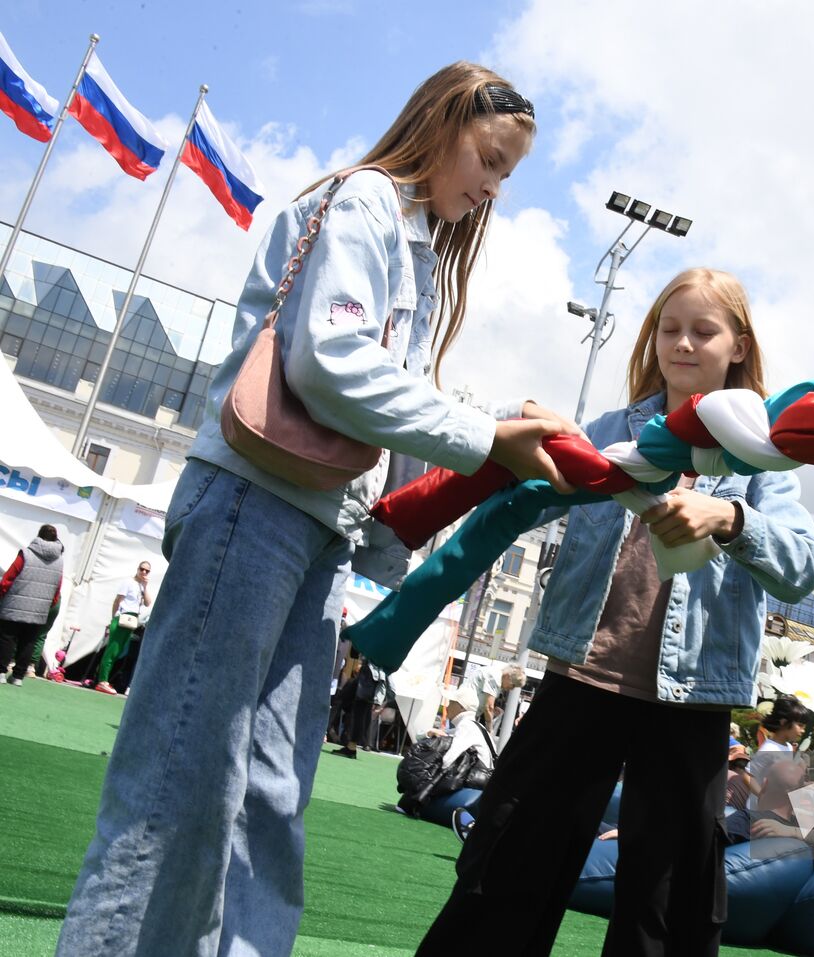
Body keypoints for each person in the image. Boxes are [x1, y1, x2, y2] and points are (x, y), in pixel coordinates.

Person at [57, 61, 577, 957]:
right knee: (183, 779)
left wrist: (490, 438)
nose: (492, 186)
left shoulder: (405, 231)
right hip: (253, 506)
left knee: (269, 793)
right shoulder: (367, 204)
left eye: (506, 172)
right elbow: (330, 364)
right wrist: (487, 437)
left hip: (310, 525)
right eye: (489, 159)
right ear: (441, 125)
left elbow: (382, 404)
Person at [416, 267, 814, 957]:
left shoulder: (759, 456)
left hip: (691, 702)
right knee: (506, 869)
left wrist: (728, 515)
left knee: (666, 910)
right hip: (582, 680)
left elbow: (803, 564)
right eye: (670, 329)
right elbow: (522, 491)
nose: (683, 344)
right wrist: (510, 442)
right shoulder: (609, 431)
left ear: (738, 346)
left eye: (704, 331)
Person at [0, 524, 64, 687]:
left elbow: (9, 577)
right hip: (39, 609)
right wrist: (48, 605)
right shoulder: (60, 561)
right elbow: (57, 588)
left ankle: (0, 672)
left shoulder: (26, 554)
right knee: (28, 642)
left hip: (14, 604)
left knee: (7, 638)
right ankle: (19, 676)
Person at [93, 562, 152, 694]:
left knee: (118, 652)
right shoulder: (128, 582)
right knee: (112, 651)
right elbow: (118, 600)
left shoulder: (141, 586)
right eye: (142, 569)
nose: (144, 572)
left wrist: (145, 586)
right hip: (122, 618)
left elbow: (148, 603)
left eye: (147, 571)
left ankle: (104, 679)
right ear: (137, 569)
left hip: (131, 620)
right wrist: (114, 617)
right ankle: (102, 681)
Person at [456, 662, 525, 731]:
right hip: (463, 709)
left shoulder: (498, 672)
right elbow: (489, 707)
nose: (512, 689)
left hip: (463, 708)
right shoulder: (496, 677)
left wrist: (493, 708)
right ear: (508, 676)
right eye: (513, 685)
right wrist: (490, 728)